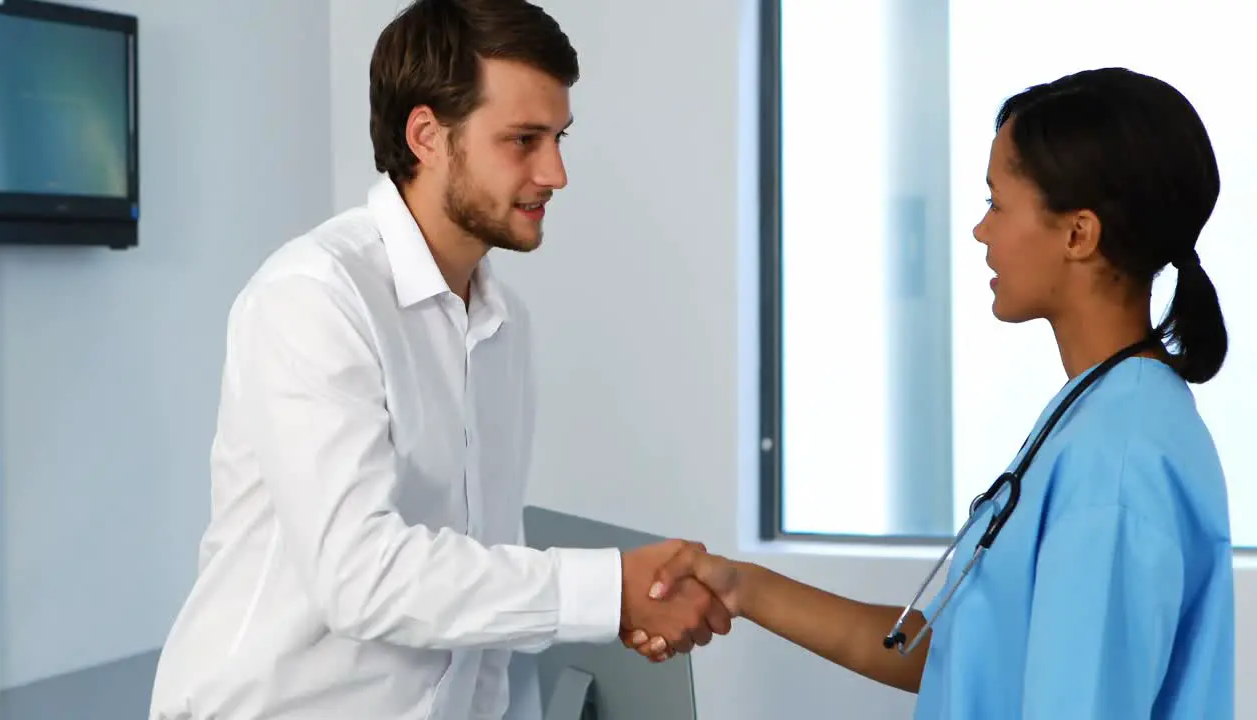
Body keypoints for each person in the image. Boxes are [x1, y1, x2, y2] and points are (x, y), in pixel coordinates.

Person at [148, 1, 729, 718]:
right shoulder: (314, 298)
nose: (556, 172)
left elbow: (480, 575)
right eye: (524, 139)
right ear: (426, 136)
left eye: (559, 138)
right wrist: (610, 592)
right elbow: (361, 577)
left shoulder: (504, 323)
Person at [627, 67, 1235, 718]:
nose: (980, 231)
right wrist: (741, 586)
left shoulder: (1117, 459)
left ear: (1077, 234)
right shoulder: (1098, 413)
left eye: (996, 203)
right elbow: (957, 655)